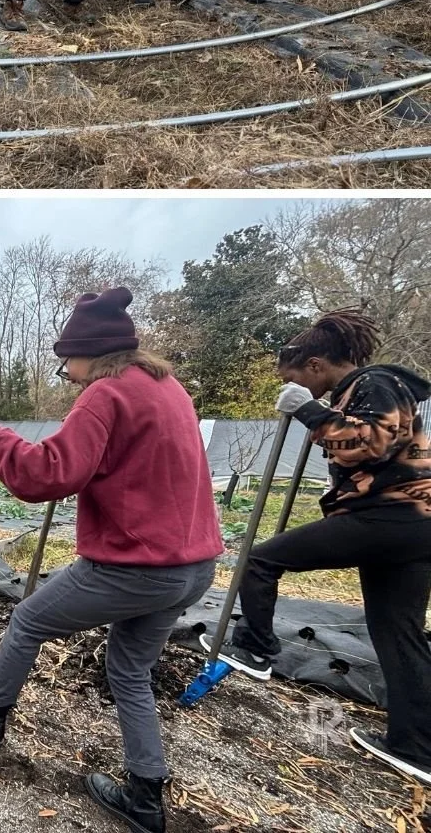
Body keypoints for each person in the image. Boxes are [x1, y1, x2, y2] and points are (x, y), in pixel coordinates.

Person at [0, 288, 221, 833]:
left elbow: (45, 475)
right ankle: (144, 799)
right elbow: (99, 460)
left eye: (66, 361)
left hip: (135, 566)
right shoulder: (169, 389)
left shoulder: (105, 393)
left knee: (27, 622)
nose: (66, 373)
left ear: (91, 353)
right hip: (193, 567)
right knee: (130, 670)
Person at [208, 308, 431, 785]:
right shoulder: (362, 391)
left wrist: (308, 410)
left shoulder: (376, 383)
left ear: (314, 365)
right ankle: (417, 746)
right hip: (413, 524)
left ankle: (256, 648)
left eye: (294, 378)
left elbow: (369, 444)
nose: (294, 387)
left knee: (262, 559)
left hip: (386, 515)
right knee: (396, 629)